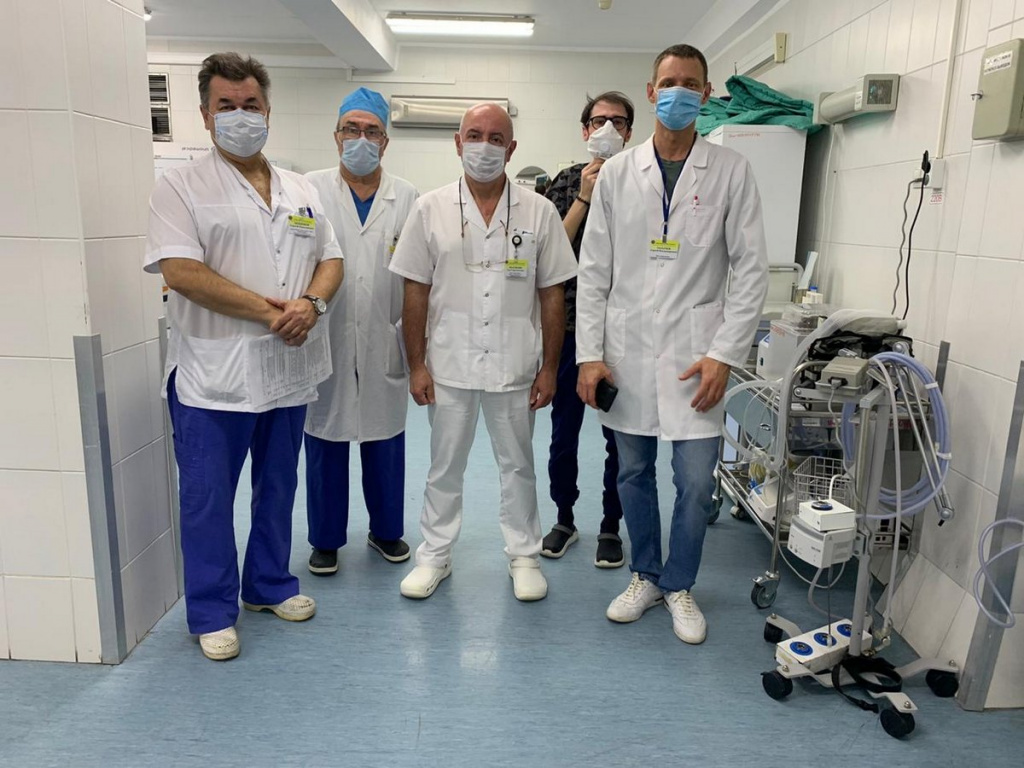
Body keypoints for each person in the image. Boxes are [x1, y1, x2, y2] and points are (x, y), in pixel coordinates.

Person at [146, 53, 344, 661]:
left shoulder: (299, 187)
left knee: (278, 485)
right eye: (226, 105)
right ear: (205, 115)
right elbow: (181, 271)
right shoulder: (180, 186)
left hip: (287, 368)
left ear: (268, 111)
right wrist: (271, 313)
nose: (240, 115)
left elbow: (331, 259)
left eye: (250, 104)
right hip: (214, 376)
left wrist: (311, 304)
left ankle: (268, 584)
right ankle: (211, 609)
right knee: (208, 497)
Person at [575, 44, 768, 644]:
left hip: (696, 355)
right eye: (668, 82)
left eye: (690, 83)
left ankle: (680, 583)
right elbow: (594, 270)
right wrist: (589, 355)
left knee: (695, 481)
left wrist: (725, 354)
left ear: (706, 94)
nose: (678, 92)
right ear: (651, 90)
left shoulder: (731, 170)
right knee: (632, 472)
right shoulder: (617, 174)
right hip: (628, 350)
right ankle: (646, 574)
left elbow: (751, 270)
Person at [389, 103, 577, 601]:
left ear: (511, 149)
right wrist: (416, 364)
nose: (484, 147)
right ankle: (434, 554)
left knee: (518, 466)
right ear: (458, 143)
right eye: (474, 135)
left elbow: (552, 293)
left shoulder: (539, 211)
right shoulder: (429, 208)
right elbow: (415, 290)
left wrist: (550, 368)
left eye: (496, 138)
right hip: (449, 362)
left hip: (515, 364)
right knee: (444, 466)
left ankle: (524, 555)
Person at [303, 88, 419, 576]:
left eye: (372, 131)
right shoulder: (309, 189)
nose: (361, 139)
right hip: (324, 331)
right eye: (351, 129)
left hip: (384, 334)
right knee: (324, 436)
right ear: (336, 136)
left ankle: (386, 530)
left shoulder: (407, 196)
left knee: (384, 437)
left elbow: (418, 276)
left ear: (385, 141)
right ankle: (326, 539)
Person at [540, 92, 633, 568]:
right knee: (564, 433)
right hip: (572, 327)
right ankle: (564, 518)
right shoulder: (564, 182)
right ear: (584, 130)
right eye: (599, 121)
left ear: (630, 132)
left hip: (624, 332)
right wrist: (584, 196)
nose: (608, 129)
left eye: (618, 122)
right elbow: (548, 250)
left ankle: (611, 525)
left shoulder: (642, 180)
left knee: (621, 436)